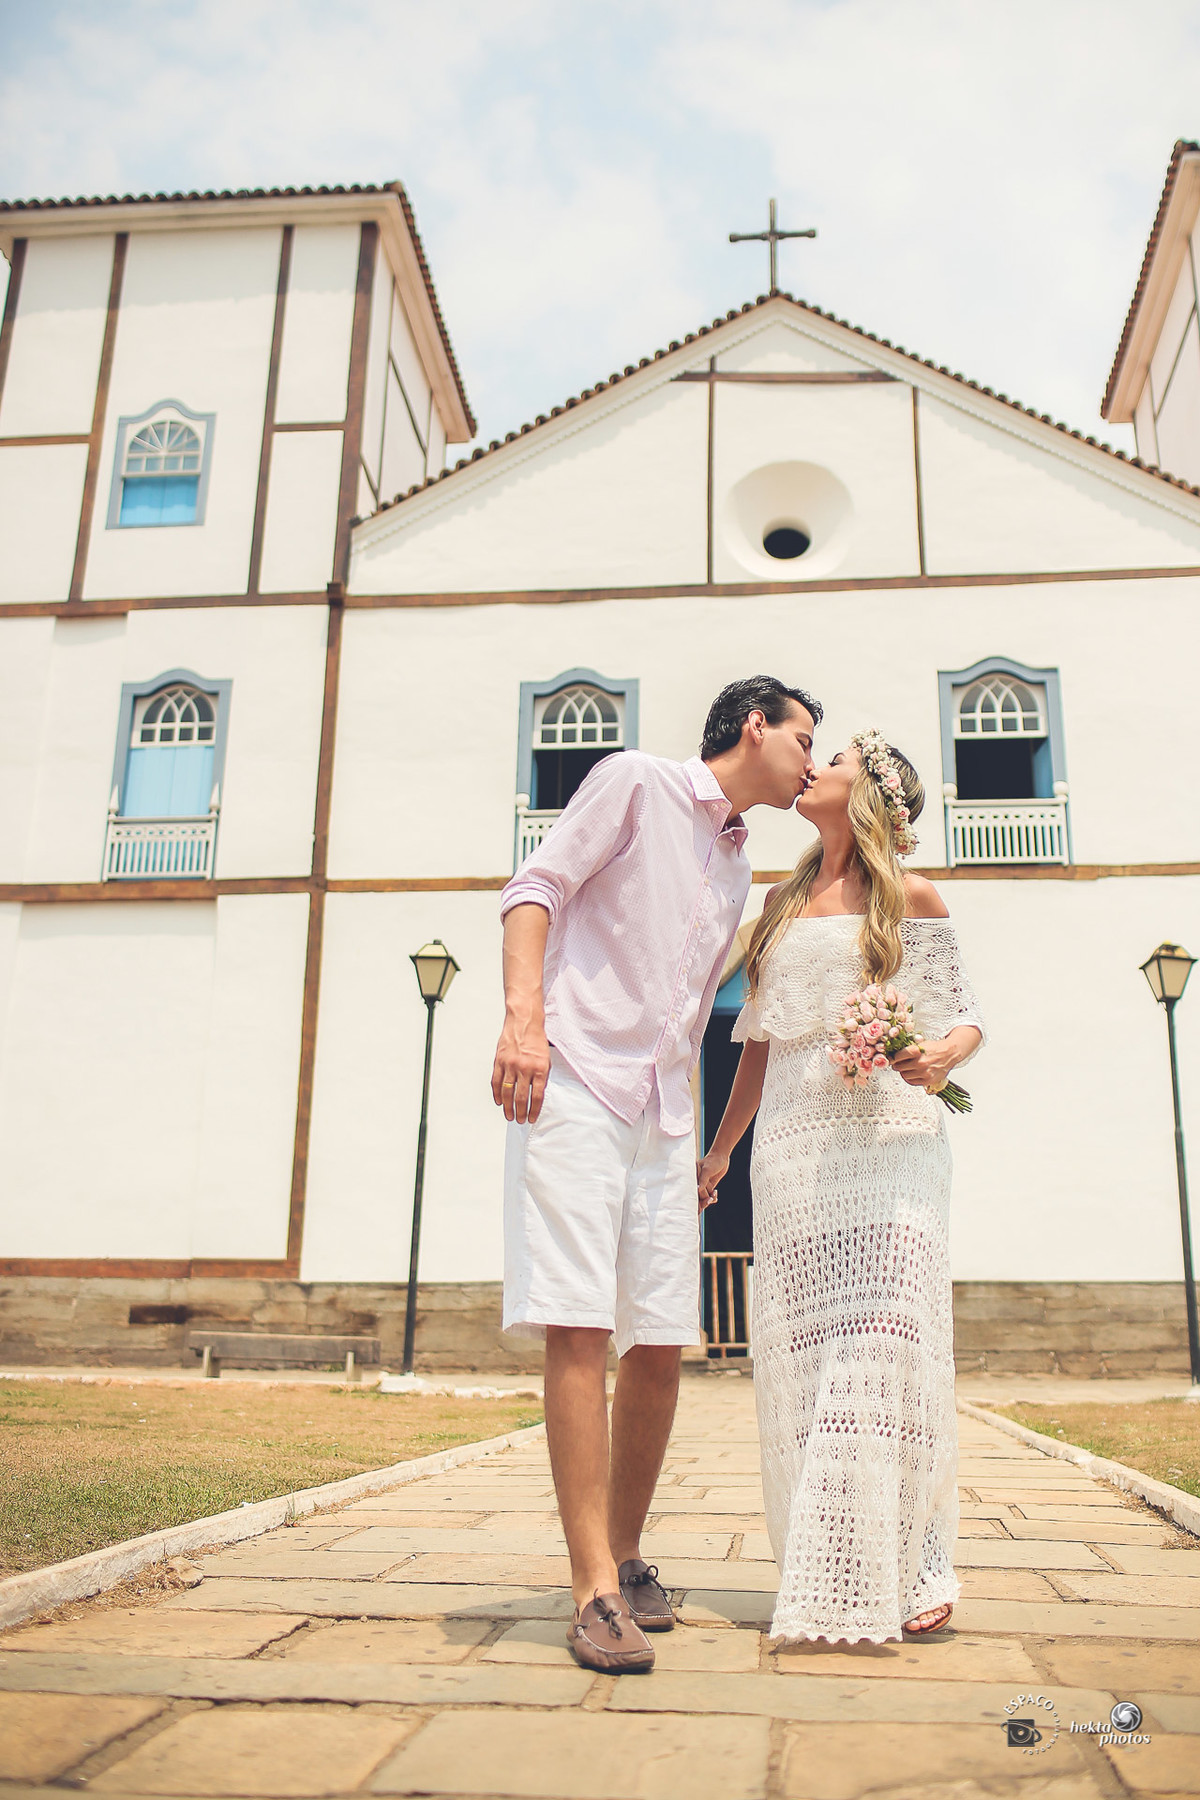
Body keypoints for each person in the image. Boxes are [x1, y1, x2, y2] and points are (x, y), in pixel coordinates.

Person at [491, 676, 821, 1672]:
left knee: (666, 1341)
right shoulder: (635, 782)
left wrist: (706, 1144)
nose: (813, 757)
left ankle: (627, 1555)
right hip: (580, 1084)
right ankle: (590, 1590)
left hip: (663, 1118)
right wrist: (522, 1022)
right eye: (806, 737)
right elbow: (534, 890)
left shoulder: (736, 861)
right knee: (582, 1323)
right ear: (753, 727)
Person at [698, 731, 985, 1644]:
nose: (813, 767)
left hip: (894, 1144)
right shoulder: (777, 905)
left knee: (889, 1351)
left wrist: (939, 1056)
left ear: (870, 798)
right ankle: (825, 1557)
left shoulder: (912, 897)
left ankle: (917, 1561)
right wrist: (719, 1154)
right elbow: (757, 1045)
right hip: (794, 1151)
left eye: (837, 763)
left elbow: (962, 1015)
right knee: (802, 1357)